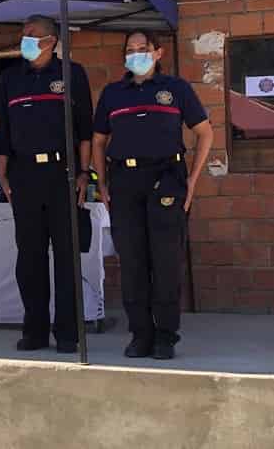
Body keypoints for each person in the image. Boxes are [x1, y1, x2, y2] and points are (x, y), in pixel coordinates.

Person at [92, 30, 212, 360]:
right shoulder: (113, 93)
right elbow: (99, 140)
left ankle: (165, 336)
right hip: (124, 181)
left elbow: (205, 132)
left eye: (142, 49)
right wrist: (102, 183)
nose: (135, 55)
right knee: (132, 262)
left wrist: (191, 181)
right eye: (129, 50)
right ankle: (140, 335)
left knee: (166, 261)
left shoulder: (176, 89)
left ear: (157, 53)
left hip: (167, 180)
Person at [0, 15, 93, 354]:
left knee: (66, 257)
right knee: (30, 257)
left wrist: (84, 173)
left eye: (32, 35)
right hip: (24, 176)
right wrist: (3, 174)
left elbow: (85, 130)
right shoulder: (10, 78)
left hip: (63, 175)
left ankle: (67, 333)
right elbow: (4, 131)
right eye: (22, 34)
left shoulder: (71, 74)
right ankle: (34, 330)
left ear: (51, 42)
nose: (24, 40)